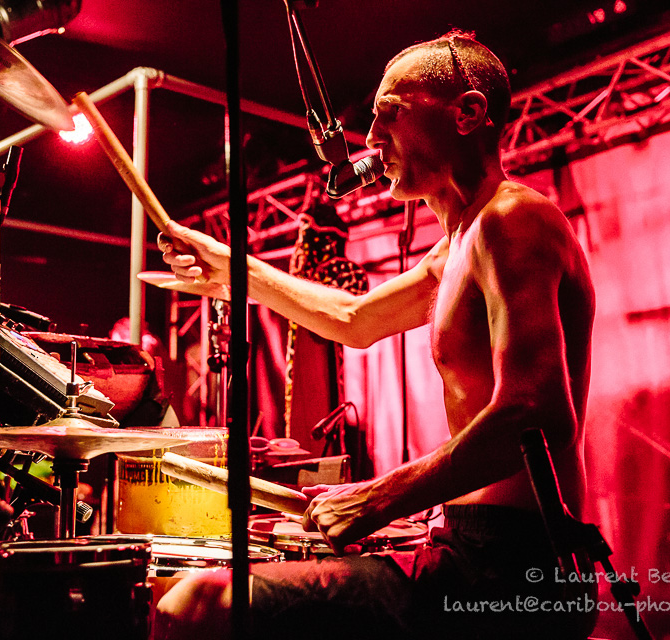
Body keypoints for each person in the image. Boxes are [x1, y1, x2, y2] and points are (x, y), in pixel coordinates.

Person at [154, 31, 598, 640]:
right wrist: (235, 269)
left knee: (201, 602)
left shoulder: (512, 219)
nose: (368, 140)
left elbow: (536, 415)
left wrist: (377, 498)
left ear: (468, 113)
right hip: (471, 551)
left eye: (388, 114)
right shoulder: (460, 243)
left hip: (515, 570)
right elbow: (354, 320)